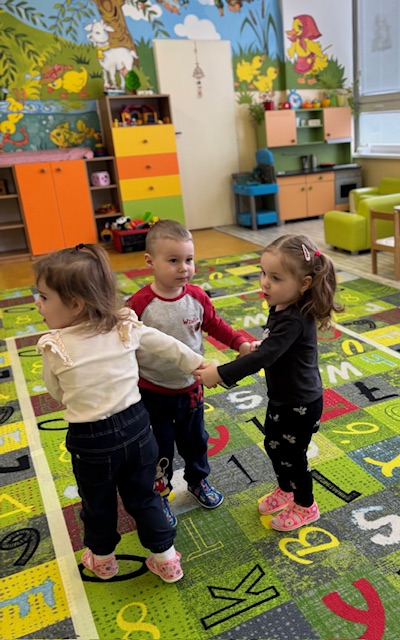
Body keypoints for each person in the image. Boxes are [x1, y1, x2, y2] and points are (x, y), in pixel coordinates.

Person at [34, 243, 205, 582]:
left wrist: (80, 400)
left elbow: (57, 392)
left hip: (91, 439)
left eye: (43, 297)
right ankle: (167, 558)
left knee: (97, 502)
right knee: (144, 496)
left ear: (75, 304)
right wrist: (198, 364)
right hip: (138, 428)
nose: (37, 303)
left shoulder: (56, 346)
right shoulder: (124, 326)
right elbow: (167, 345)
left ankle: (103, 560)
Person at [194, 234, 343, 532]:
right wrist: (261, 346)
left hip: (301, 403)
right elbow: (274, 348)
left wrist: (220, 373)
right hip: (283, 398)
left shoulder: (294, 318)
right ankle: (286, 489)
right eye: (263, 273)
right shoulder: (282, 305)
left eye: (275, 278)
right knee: (274, 446)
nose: (264, 283)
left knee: (293, 456)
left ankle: (306, 505)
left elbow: (265, 358)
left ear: (304, 283)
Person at [126, 220, 252, 527]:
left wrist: (239, 342)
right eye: (173, 260)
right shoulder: (139, 304)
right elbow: (124, 343)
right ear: (150, 261)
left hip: (191, 388)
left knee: (196, 440)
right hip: (151, 391)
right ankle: (160, 493)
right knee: (159, 447)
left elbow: (215, 325)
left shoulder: (196, 297)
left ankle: (198, 481)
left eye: (189, 259)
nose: (184, 268)